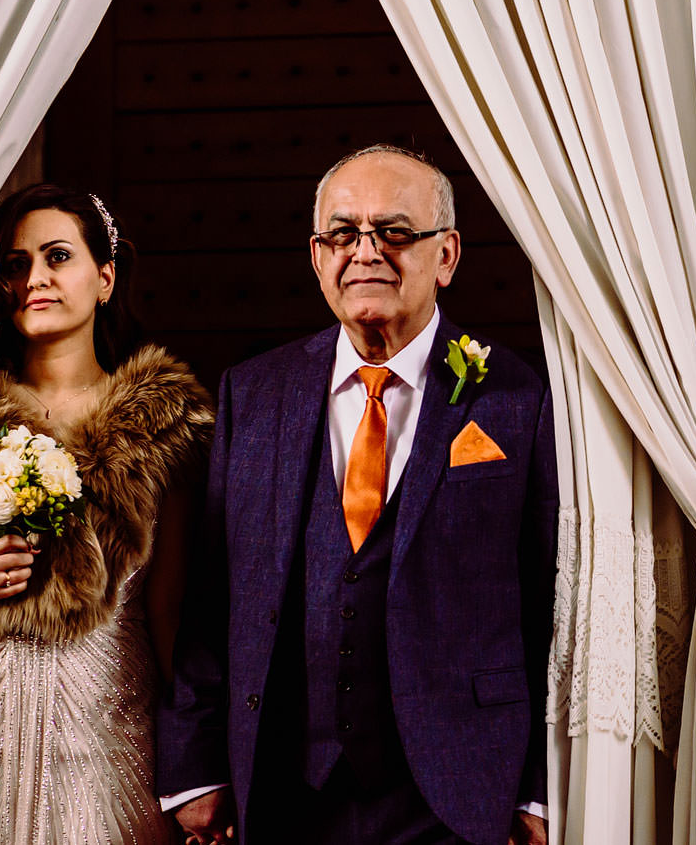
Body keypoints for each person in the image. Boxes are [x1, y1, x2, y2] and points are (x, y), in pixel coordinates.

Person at [157, 145, 557, 845]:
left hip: (460, 793)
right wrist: (196, 769)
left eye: (395, 232)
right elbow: (212, 597)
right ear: (317, 256)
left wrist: (539, 788)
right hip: (285, 788)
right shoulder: (253, 393)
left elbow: (553, 602)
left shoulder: (518, 398)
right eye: (343, 233)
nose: (365, 251)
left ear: (447, 255)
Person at [0, 183, 212, 845]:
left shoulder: (165, 425)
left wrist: (196, 767)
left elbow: (170, 616)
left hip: (105, 733)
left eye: (57, 257)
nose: (35, 279)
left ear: (105, 277)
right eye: (16, 264)